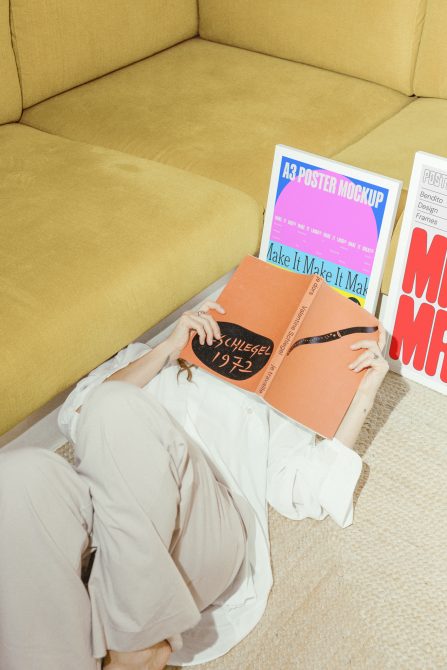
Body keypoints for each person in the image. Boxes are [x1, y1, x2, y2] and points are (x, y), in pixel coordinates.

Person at [0, 301, 389, 670]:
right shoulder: (145, 357)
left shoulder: (266, 395)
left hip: (200, 533)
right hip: (101, 534)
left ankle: (137, 645)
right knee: (20, 474)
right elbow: (77, 416)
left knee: (116, 406)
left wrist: (364, 395)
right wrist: (165, 350)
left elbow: (305, 490)